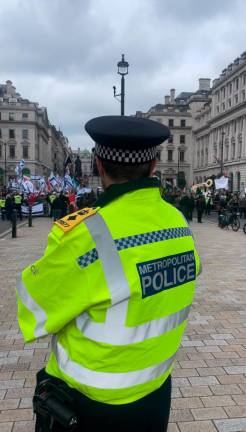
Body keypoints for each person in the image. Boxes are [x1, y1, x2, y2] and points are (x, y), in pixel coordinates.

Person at [16, 116, 201, 432]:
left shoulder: (85, 235)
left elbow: (34, 309)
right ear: (154, 165)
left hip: (91, 405)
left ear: (98, 166)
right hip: (155, 393)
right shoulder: (178, 222)